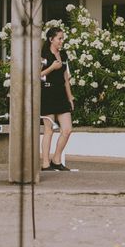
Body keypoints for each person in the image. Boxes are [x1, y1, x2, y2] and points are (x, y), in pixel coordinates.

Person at [40, 27, 75, 171]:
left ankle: (56, 159)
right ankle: (45, 163)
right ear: (51, 39)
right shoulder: (43, 54)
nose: (62, 41)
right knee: (49, 130)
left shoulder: (64, 54)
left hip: (61, 94)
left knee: (67, 130)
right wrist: (51, 68)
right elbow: (37, 75)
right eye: (59, 38)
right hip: (47, 93)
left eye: (62, 38)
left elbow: (66, 78)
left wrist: (70, 97)